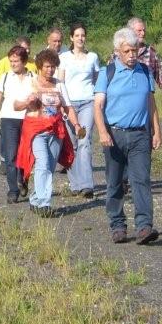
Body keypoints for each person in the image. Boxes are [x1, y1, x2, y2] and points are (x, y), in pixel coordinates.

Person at [94, 27, 162, 245]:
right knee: (114, 182)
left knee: (141, 180)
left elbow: (150, 103)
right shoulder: (107, 73)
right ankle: (118, 225)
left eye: (134, 50)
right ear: (117, 51)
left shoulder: (144, 71)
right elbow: (98, 106)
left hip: (140, 134)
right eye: (127, 51)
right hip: (114, 135)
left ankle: (144, 227)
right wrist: (103, 131)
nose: (132, 55)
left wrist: (157, 130)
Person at [15, 49, 81, 217]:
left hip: (55, 130)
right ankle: (44, 204)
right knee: (42, 163)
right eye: (47, 66)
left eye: (53, 66)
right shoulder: (29, 83)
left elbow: (67, 107)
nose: (50, 70)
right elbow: (16, 105)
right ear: (39, 67)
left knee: (49, 167)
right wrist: (27, 102)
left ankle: (35, 199)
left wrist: (76, 125)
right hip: (35, 130)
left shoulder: (59, 84)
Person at [0, 45, 35, 204]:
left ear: (24, 61)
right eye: (11, 61)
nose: (13, 64)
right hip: (8, 119)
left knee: (26, 154)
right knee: (11, 155)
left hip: (28, 120)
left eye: (16, 61)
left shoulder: (33, 77)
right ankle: (13, 190)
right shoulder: (5, 77)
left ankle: (23, 180)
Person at [58, 23, 100, 199]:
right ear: (71, 38)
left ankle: (87, 184)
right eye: (77, 35)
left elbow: (96, 79)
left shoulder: (93, 57)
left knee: (85, 140)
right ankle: (75, 183)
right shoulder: (64, 57)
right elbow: (60, 82)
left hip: (87, 102)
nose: (80, 38)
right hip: (69, 104)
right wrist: (61, 104)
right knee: (71, 144)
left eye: (83, 35)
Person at [126, 17, 162, 109]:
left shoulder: (150, 52)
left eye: (144, 30)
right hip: (124, 100)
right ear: (130, 32)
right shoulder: (119, 52)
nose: (143, 33)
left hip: (145, 102)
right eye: (139, 30)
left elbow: (161, 74)